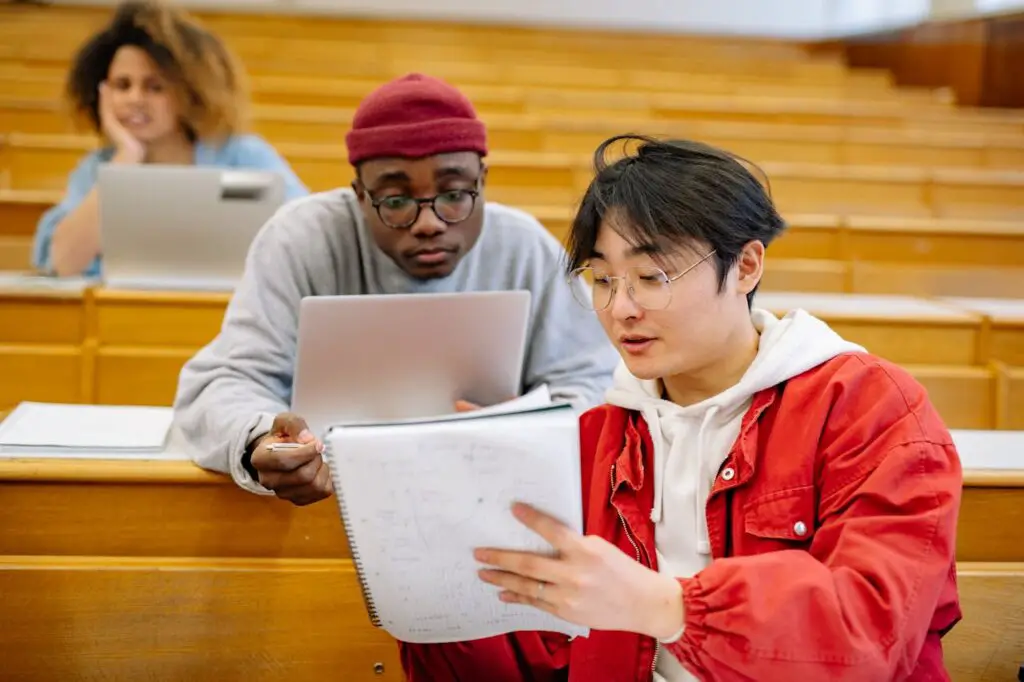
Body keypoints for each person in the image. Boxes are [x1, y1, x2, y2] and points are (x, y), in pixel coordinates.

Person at [398, 135, 964, 681]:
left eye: (651, 276)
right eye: (601, 279)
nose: (620, 308)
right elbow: (538, 655)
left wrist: (670, 607)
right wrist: (429, 558)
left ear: (746, 266)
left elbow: (869, 635)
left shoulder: (869, 409)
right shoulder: (598, 437)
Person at [172, 73, 619, 505]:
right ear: (359, 196)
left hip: (491, 499)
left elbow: (593, 378)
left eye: (455, 194)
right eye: (397, 201)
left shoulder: (522, 245)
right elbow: (223, 383)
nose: (429, 223)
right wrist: (261, 437)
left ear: (482, 180)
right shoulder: (300, 238)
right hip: (328, 501)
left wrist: (533, 425)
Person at [33, 0, 307, 277]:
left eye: (155, 87)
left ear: (188, 94)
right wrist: (126, 157)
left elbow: (305, 235)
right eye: (122, 85)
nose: (135, 99)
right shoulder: (97, 169)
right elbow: (63, 263)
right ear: (102, 93)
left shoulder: (243, 155)